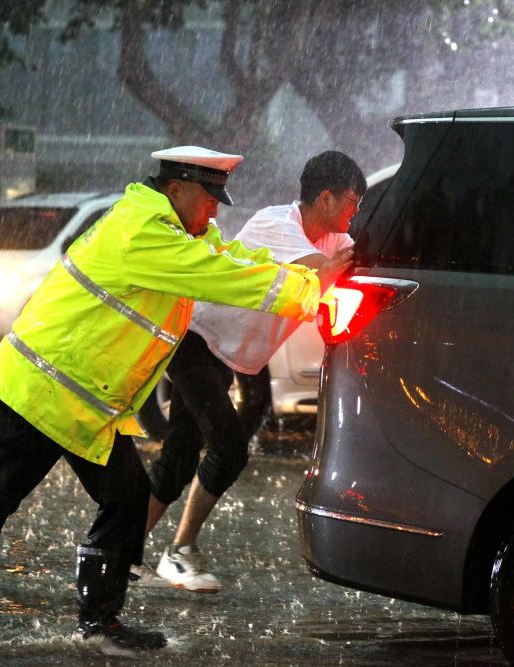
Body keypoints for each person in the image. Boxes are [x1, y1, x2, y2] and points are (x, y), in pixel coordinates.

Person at [0, 146, 334, 652]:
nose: (215, 211)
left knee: (127, 497)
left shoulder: (178, 232)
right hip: (39, 392)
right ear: (176, 189)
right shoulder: (145, 233)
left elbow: (232, 258)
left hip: (89, 406)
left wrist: (306, 276)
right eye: (209, 198)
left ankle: (101, 623)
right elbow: (226, 278)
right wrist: (312, 293)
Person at [131, 150, 364, 592]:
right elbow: (318, 275)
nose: (356, 213)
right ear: (327, 198)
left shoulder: (333, 237)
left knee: (181, 454)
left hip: (239, 355)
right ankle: (173, 551)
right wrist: (351, 259)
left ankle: (133, 551)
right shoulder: (276, 224)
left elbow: (347, 263)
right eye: (353, 201)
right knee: (229, 448)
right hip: (198, 339)